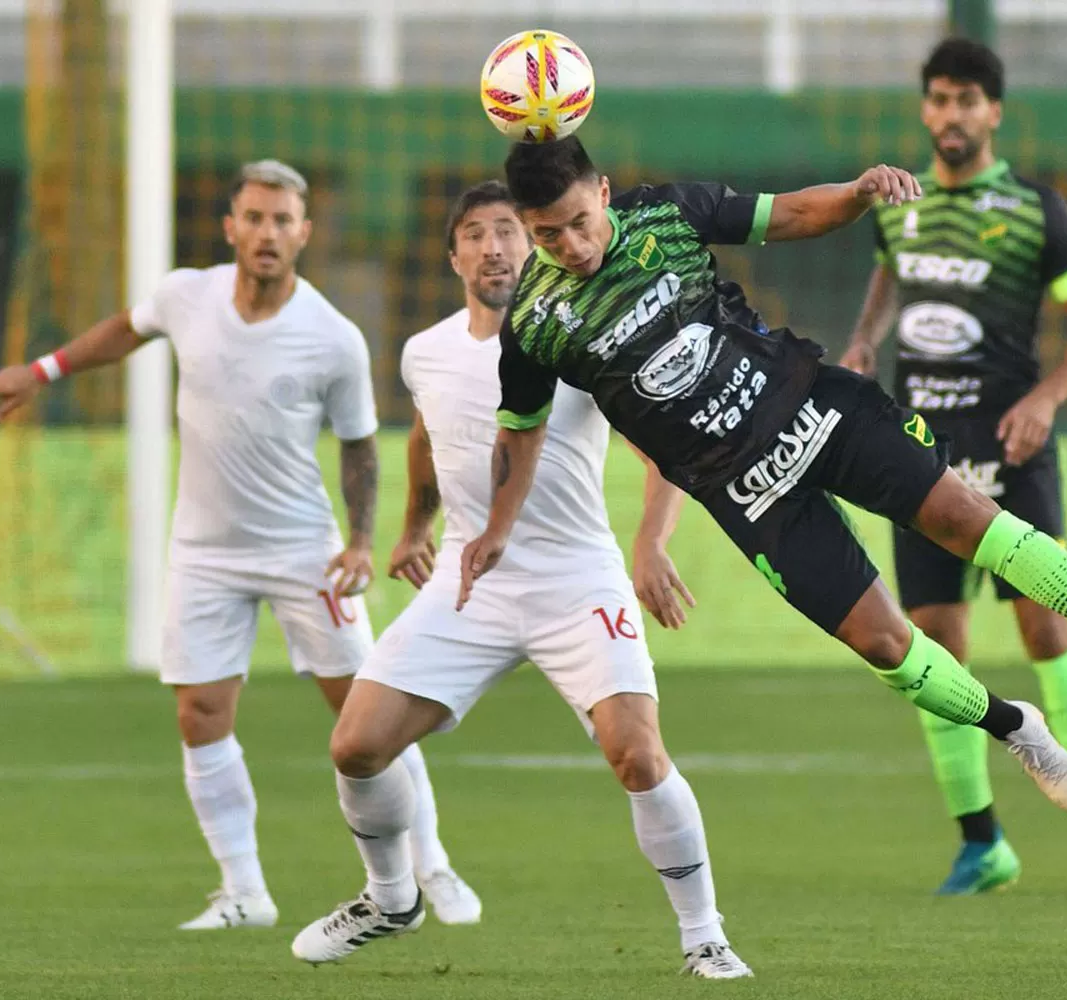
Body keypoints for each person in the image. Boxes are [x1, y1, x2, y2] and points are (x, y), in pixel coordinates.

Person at [457, 135, 1067, 831]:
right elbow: (521, 432)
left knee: (964, 516)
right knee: (882, 643)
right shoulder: (535, 323)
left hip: (812, 405)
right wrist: (496, 531)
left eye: (581, 223)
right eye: (548, 235)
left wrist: (859, 191)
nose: (573, 246)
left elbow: (791, 213)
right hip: (746, 490)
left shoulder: (666, 216)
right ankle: (1015, 728)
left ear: (605, 193)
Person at [0, 160, 476, 930]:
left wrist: (357, 542)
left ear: (304, 234)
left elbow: (358, 446)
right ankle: (244, 892)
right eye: (255, 217)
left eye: (283, 221)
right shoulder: (187, 295)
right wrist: (43, 370)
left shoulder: (331, 339)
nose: (267, 232)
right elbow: (128, 329)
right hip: (204, 552)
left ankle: (430, 865)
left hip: (303, 551)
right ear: (231, 226)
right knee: (201, 713)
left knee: (366, 716)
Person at [290, 182, 751, 979]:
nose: (495, 248)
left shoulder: (577, 336)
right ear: (454, 255)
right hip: (475, 579)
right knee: (356, 746)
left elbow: (664, 451)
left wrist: (650, 541)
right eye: (476, 234)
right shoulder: (423, 352)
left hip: (578, 577)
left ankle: (704, 935)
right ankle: (391, 897)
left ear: (531, 244)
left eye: (508, 231)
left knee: (636, 754)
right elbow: (429, 441)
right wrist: (414, 527)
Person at [837, 37, 1067, 895]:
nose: (950, 115)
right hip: (919, 450)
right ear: (925, 110)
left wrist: (1045, 400)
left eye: (966, 100)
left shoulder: (1038, 211)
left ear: (993, 112)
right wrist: (864, 337)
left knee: (1047, 628)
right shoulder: (900, 204)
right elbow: (891, 276)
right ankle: (982, 843)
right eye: (937, 100)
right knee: (935, 641)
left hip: (1011, 441)